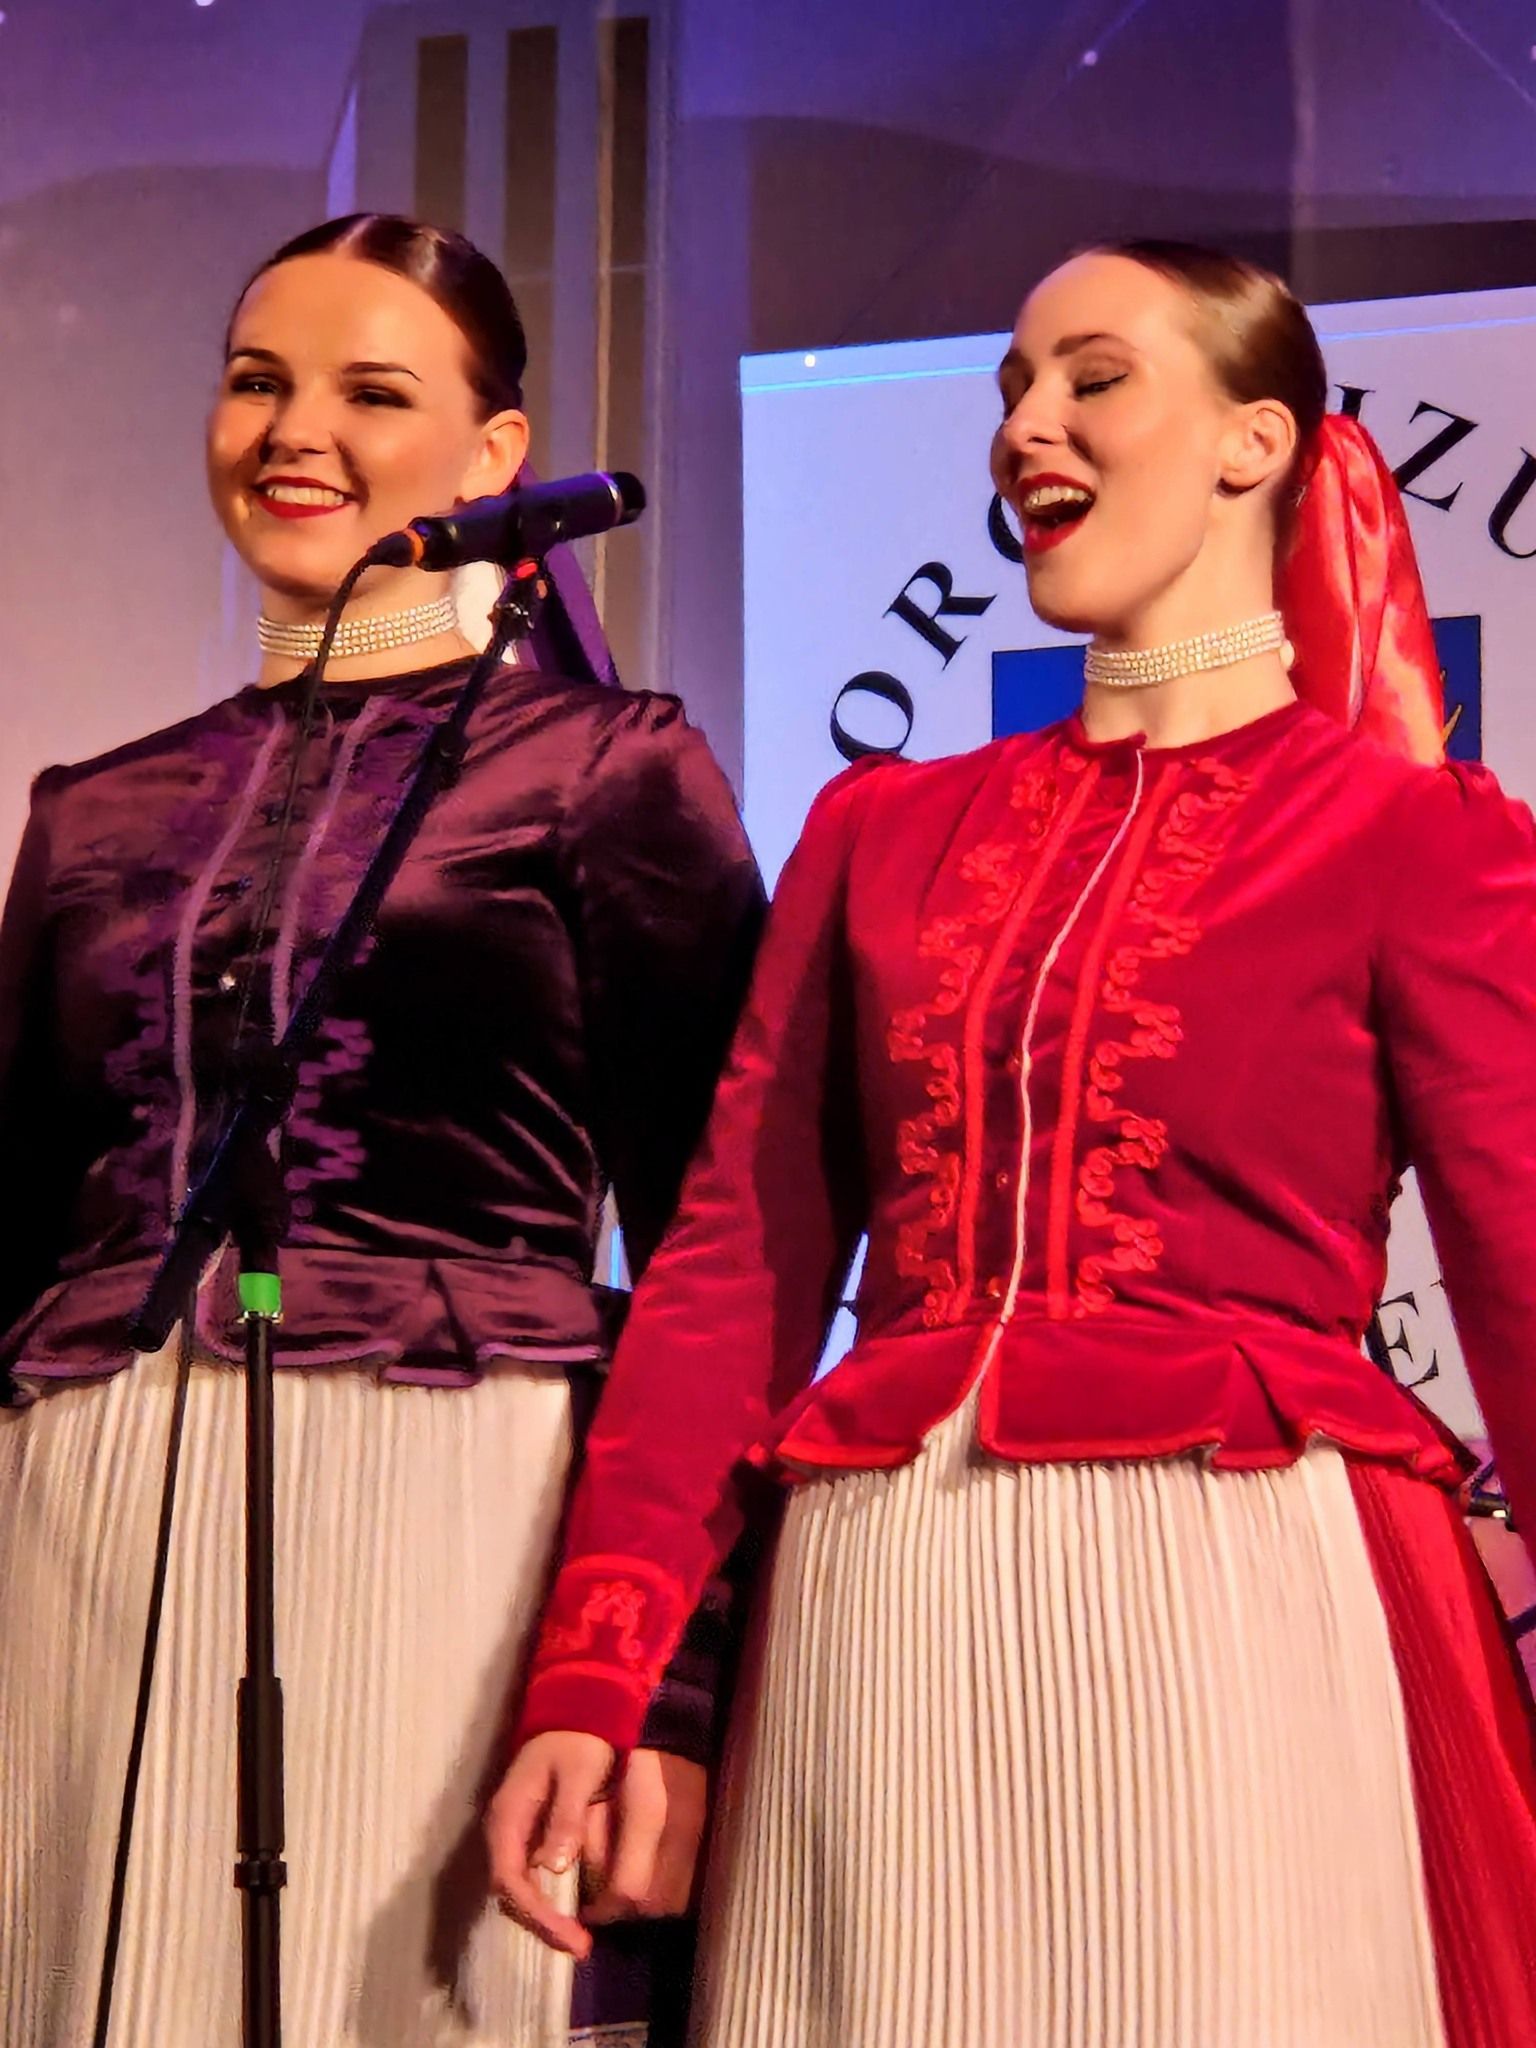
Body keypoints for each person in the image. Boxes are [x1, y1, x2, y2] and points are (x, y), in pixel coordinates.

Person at [490, 241, 1536, 2046]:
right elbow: (735, 1270)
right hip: (883, 1589)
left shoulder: (1408, 832)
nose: (1027, 427)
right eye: (1013, 391)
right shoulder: (878, 828)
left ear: (1256, 441)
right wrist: (602, 1671)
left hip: (1238, 1587)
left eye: (1092, 379)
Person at [0, 213, 763, 2048]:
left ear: (497, 453)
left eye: (371, 391)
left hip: (452, 1494)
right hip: (83, 1508)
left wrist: (671, 1683)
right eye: (257, 380)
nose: (296, 431)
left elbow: (722, 1262)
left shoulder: (608, 768)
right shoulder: (92, 811)